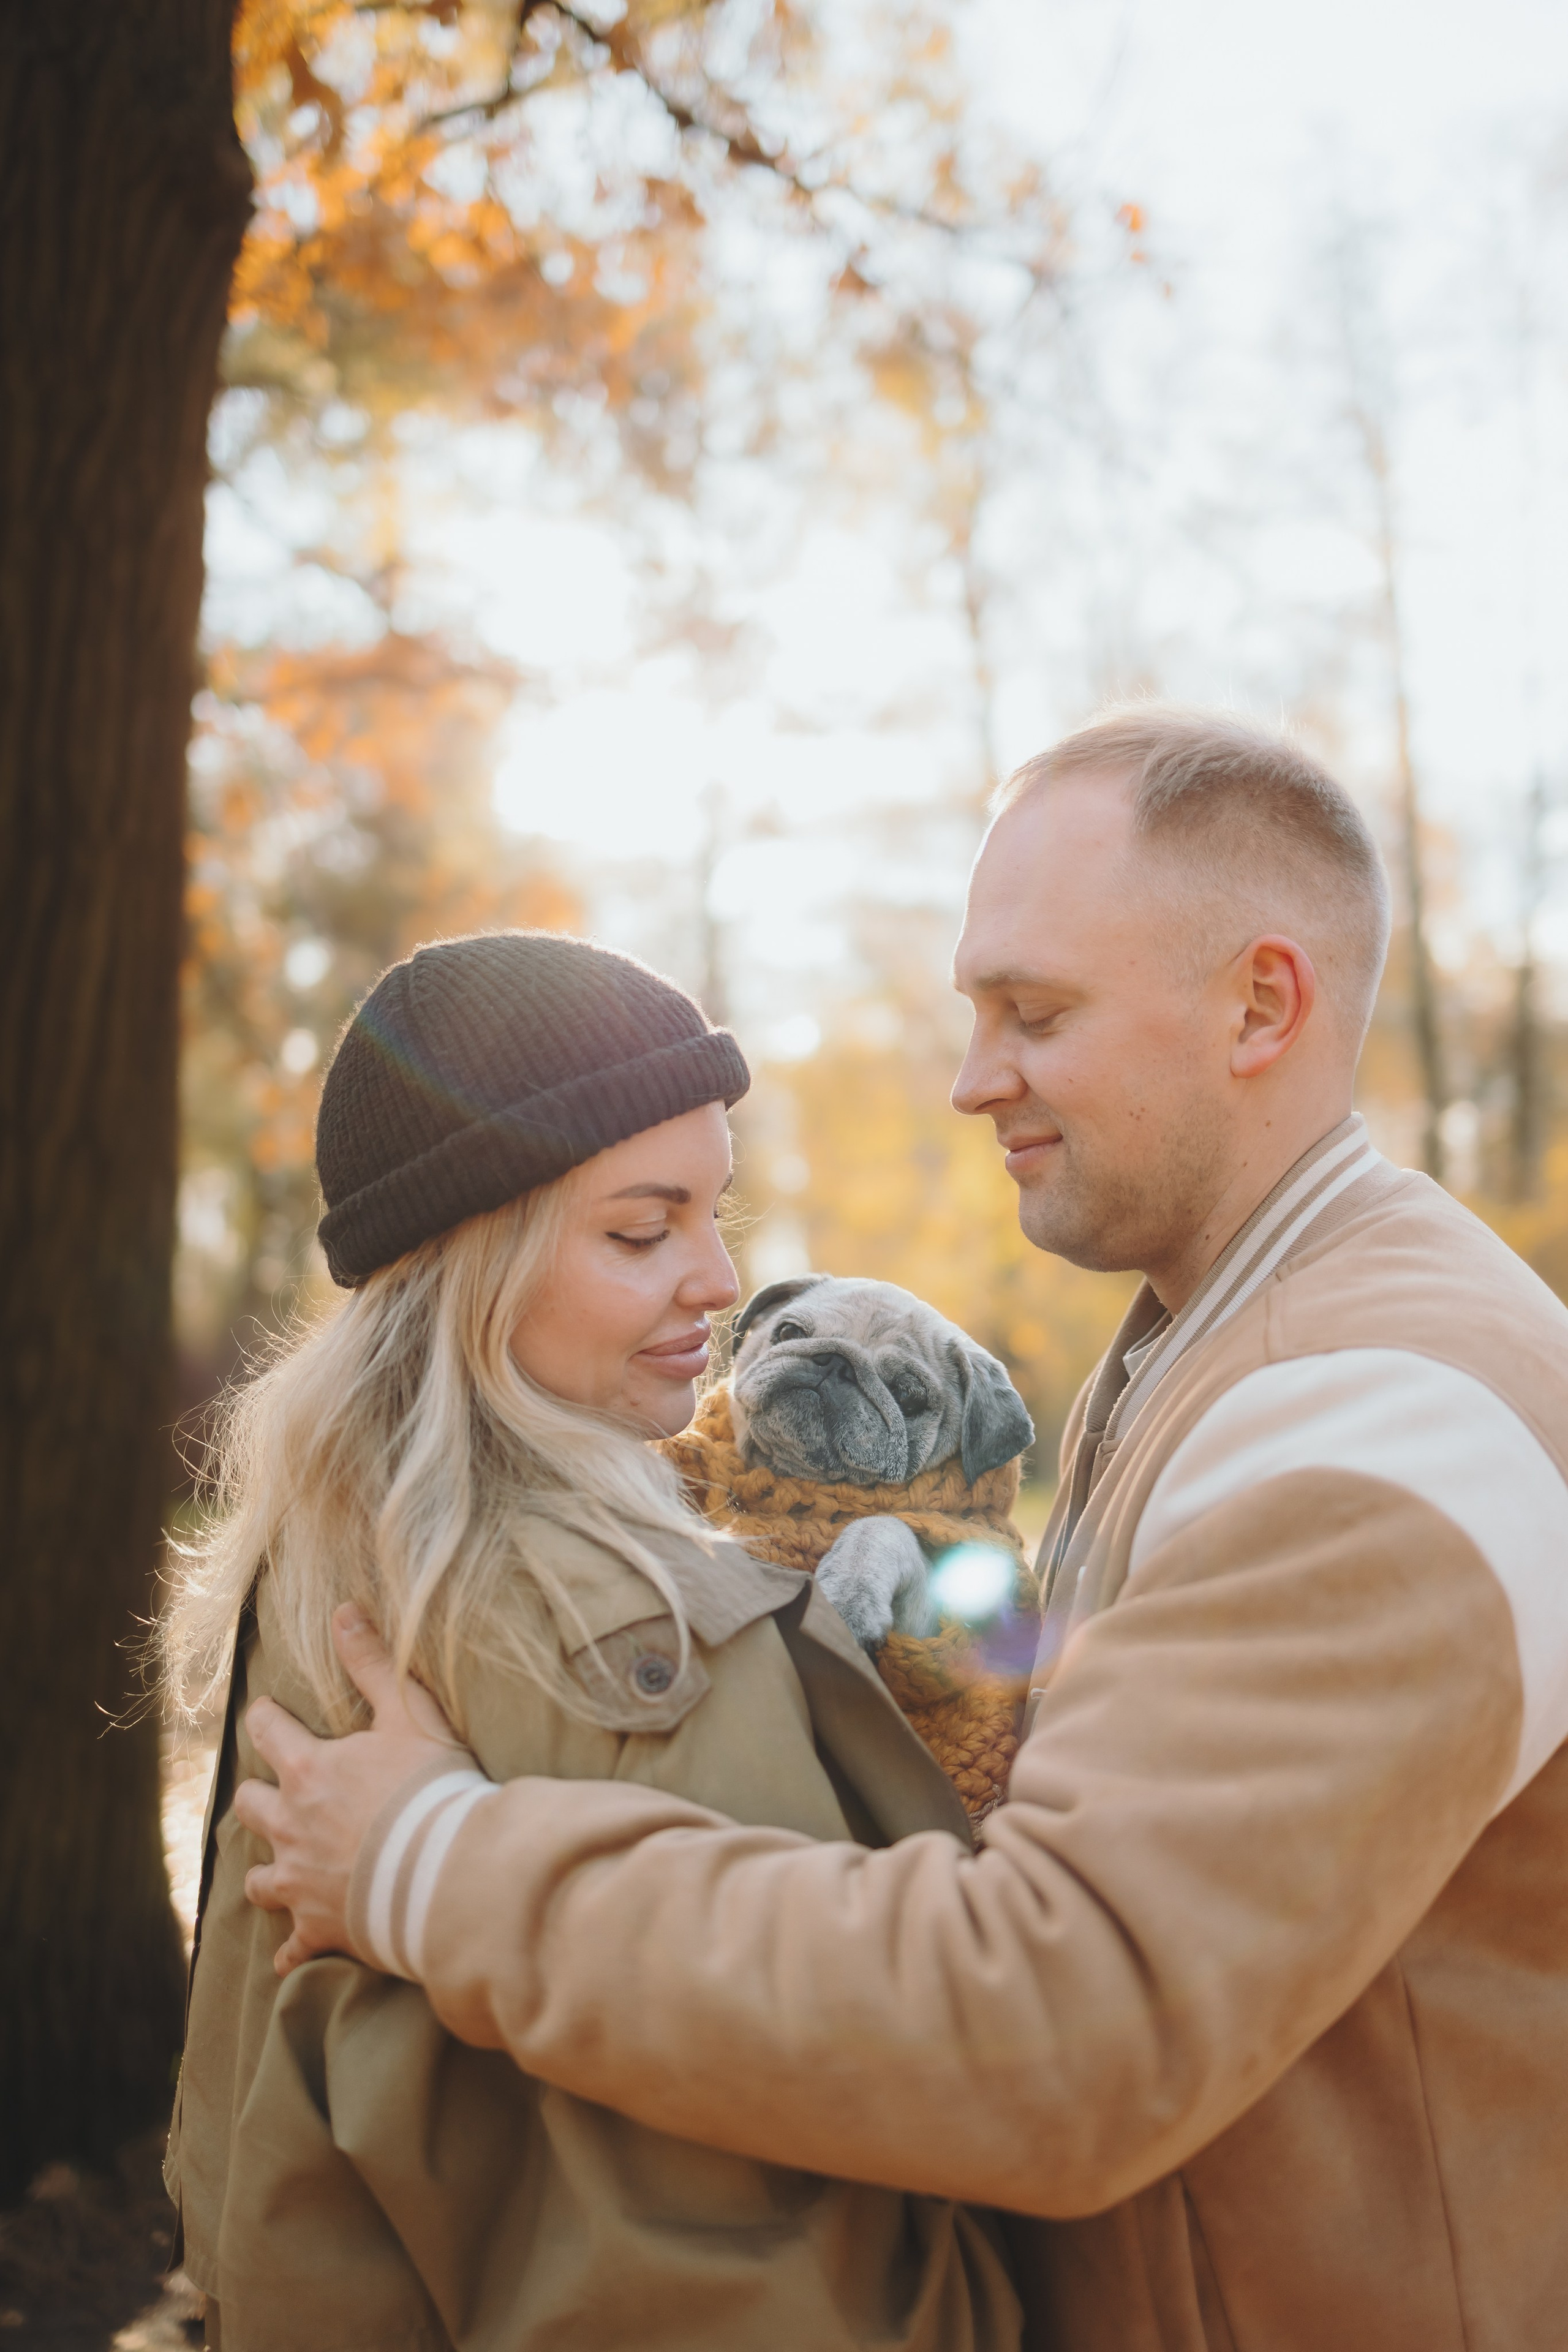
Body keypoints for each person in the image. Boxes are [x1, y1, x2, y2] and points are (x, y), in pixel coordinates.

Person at [240, 712, 1568, 2352]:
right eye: (974, 1012)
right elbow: (1113, 1708)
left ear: (1260, 1004)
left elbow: (1064, 2024)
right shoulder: (1222, 1334)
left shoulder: (1378, 1415)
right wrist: (912, 1624)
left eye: (1036, 1012)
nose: (970, 1078)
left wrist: (436, 1861)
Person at [162, 931, 1022, 2352]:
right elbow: (846, 2082)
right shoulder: (625, 1633)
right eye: (642, 1229)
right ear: (471, 1263)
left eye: (713, 1214)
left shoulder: (334, 1537)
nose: (716, 1280)